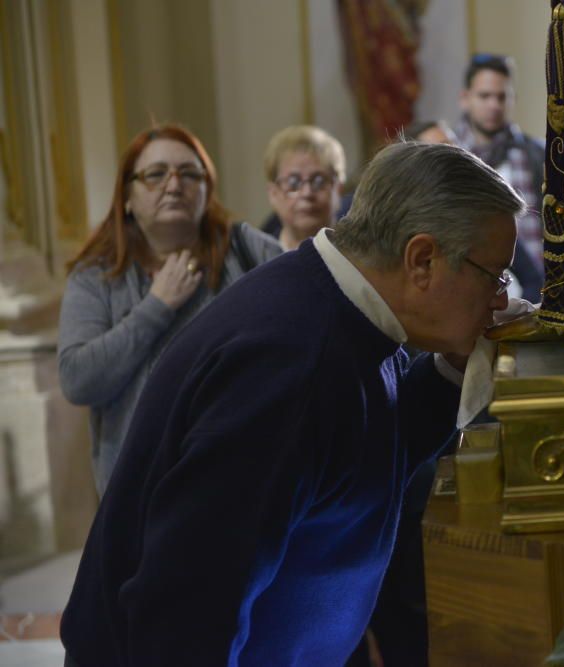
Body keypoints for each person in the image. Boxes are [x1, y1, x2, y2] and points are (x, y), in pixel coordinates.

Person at [60, 141, 525, 667]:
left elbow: (362, 446)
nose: (502, 299)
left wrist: (457, 369)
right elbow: (189, 609)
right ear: (422, 259)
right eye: (495, 275)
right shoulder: (288, 364)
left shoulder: (348, 304)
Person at [57, 124, 281, 496]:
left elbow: (305, 323)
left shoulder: (245, 249)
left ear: (207, 190)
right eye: (156, 175)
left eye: (190, 174)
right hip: (141, 492)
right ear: (127, 196)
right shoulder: (96, 276)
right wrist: (156, 308)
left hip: (246, 478)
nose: (174, 186)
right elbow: (79, 380)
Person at [454, 53, 545, 302]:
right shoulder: (449, 155)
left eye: (502, 97)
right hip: (473, 293)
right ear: (465, 99)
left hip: (537, 290)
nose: (494, 105)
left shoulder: (537, 154)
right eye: (484, 96)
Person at [260, 125, 347, 250]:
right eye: (293, 182)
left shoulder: (362, 260)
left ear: (338, 189)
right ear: (273, 193)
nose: (307, 193)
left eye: (319, 181)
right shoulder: (256, 262)